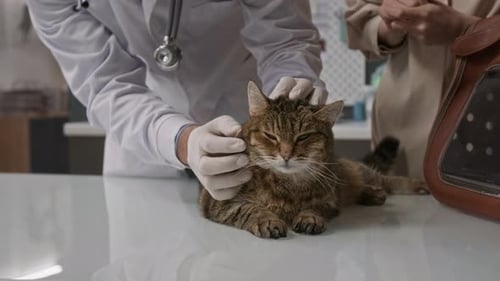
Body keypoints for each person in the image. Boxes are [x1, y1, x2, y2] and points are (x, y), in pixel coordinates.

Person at [27, 0, 328, 200]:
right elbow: (105, 85)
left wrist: (291, 84)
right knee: (149, 261)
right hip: (140, 134)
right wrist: (183, 141)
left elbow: (283, 36)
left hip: (248, 118)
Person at [344, 0, 500, 180]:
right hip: (400, 130)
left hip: (488, 125)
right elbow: (358, 17)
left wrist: (464, 28)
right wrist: (391, 27)